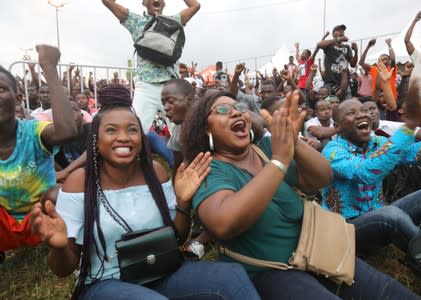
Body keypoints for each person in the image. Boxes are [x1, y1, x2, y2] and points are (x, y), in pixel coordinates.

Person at [181, 89, 421, 299]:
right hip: (269, 271)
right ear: (205, 127)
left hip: (316, 249)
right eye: (223, 109)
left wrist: (293, 143)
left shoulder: (264, 148)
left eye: (240, 107)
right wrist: (278, 163)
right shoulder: (208, 168)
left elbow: (320, 178)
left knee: (388, 291)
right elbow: (224, 223)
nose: (236, 113)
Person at [30, 85, 260, 300]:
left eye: (132, 130)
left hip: (161, 271)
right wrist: (59, 247)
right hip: (105, 282)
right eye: (111, 130)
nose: (123, 137)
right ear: (96, 141)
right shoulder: (80, 182)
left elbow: (177, 237)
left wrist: (183, 201)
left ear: (141, 138)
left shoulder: (156, 174)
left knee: (231, 276)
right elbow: (63, 269)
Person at [321, 83, 421, 253]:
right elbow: (366, 172)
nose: (362, 115)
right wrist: (409, 127)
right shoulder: (333, 151)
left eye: (364, 111)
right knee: (390, 215)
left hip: (380, 216)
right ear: (337, 127)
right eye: (351, 113)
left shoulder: (378, 143)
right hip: (347, 229)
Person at [0, 45, 77, 257]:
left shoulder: (33, 131)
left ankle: (64, 241)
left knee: (59, 194)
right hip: (4, 222)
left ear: (18, 99)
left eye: (0, 89)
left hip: (42, 214)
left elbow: (67, 131)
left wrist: (49, 68)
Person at [102, 0, 201, 133]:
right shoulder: (135, 21)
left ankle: (185, 154)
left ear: (164, 3)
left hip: (171, 86)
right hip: (145, 86)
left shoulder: (174, 21)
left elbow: (195, 6)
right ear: (144, 3)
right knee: (136, 129)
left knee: (182, 133)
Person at [317, 24, 358, 97]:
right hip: (330, 83)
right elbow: (319, 45)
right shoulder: (329, 44)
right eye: (339, 30)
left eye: (343, 31)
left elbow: (353, 64)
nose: (341, 32)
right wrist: (338, 39)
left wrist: (356, 51)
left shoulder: (347, 47)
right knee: (329, 105)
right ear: (333, 34)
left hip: (344, 83)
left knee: (346, 106)